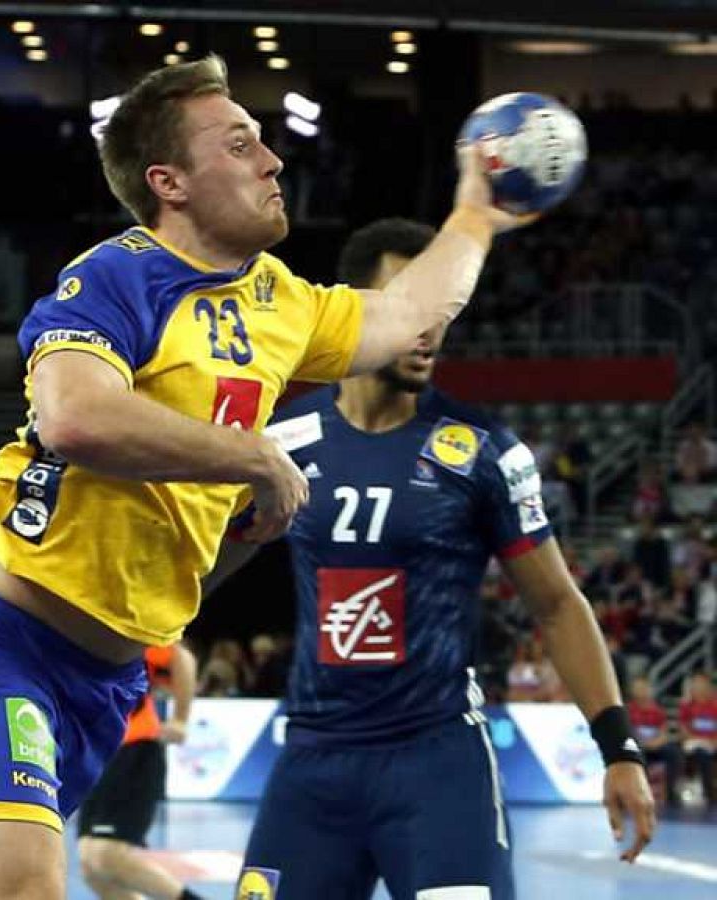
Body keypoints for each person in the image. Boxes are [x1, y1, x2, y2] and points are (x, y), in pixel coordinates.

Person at [0, 54, 535, 899]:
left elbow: (409, 312)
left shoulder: (281, 301)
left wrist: (476, 217)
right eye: (239, 145)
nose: (271, 161)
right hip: (3, 648)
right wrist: (251, 456)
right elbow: (74, 416)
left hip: (105, 683)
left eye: (264, 142)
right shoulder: (117, 275)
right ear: (171, 182)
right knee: (23, 888)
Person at [214, 218, 654, 900]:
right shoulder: (280, 444)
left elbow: (557, 603)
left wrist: (619, 747)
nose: (429, 328)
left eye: (442, 311)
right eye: (408, 305)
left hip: (438, 766)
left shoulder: (482, 452)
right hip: (312, 766)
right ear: (357, 310)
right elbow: (200, 571)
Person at [77, 643, 203, 900]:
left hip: (136, 749)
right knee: (91, 868)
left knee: (106, 855)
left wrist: (180, 718)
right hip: (100, 757)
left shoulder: (114, 632)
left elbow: (182, 658)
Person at [627, 676, 684, 809]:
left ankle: (671, 791)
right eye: (638, 688)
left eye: (644, 688)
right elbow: (628, 732)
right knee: (635, 750)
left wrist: (657, 742)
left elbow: (663, 732)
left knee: (674, 752)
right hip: (637, 745)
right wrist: (643, 743)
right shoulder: (628, 709)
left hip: (655, 745)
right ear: (633, 690)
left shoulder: (657, 710)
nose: (642, 691)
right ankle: (641, 791)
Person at [679, 671, 717, 806]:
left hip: (713, 743)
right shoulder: (686, 705)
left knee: (707, 752)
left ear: (708, 686)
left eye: (701, 683)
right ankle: (709, 794)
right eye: (695, 683)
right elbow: (683, 730)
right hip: (694, 743)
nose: (698, 686)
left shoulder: (715, 704)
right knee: (701, 754)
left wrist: (712, 742)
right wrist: (699, 741)